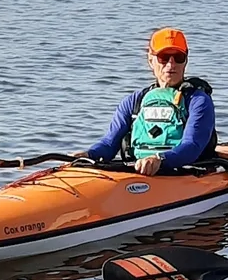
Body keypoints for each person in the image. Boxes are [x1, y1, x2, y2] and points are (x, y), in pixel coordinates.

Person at [80, 28, 217, 176]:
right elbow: (108, 144)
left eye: (178, 57)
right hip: (139, 172)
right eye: (164, 58)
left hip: (183, 173)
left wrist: (160, 160)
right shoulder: (134, 102)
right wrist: (88, 156)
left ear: (186, 61)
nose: (171, 64)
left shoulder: (198, 101)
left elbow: (192, 145)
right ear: (150, 60)